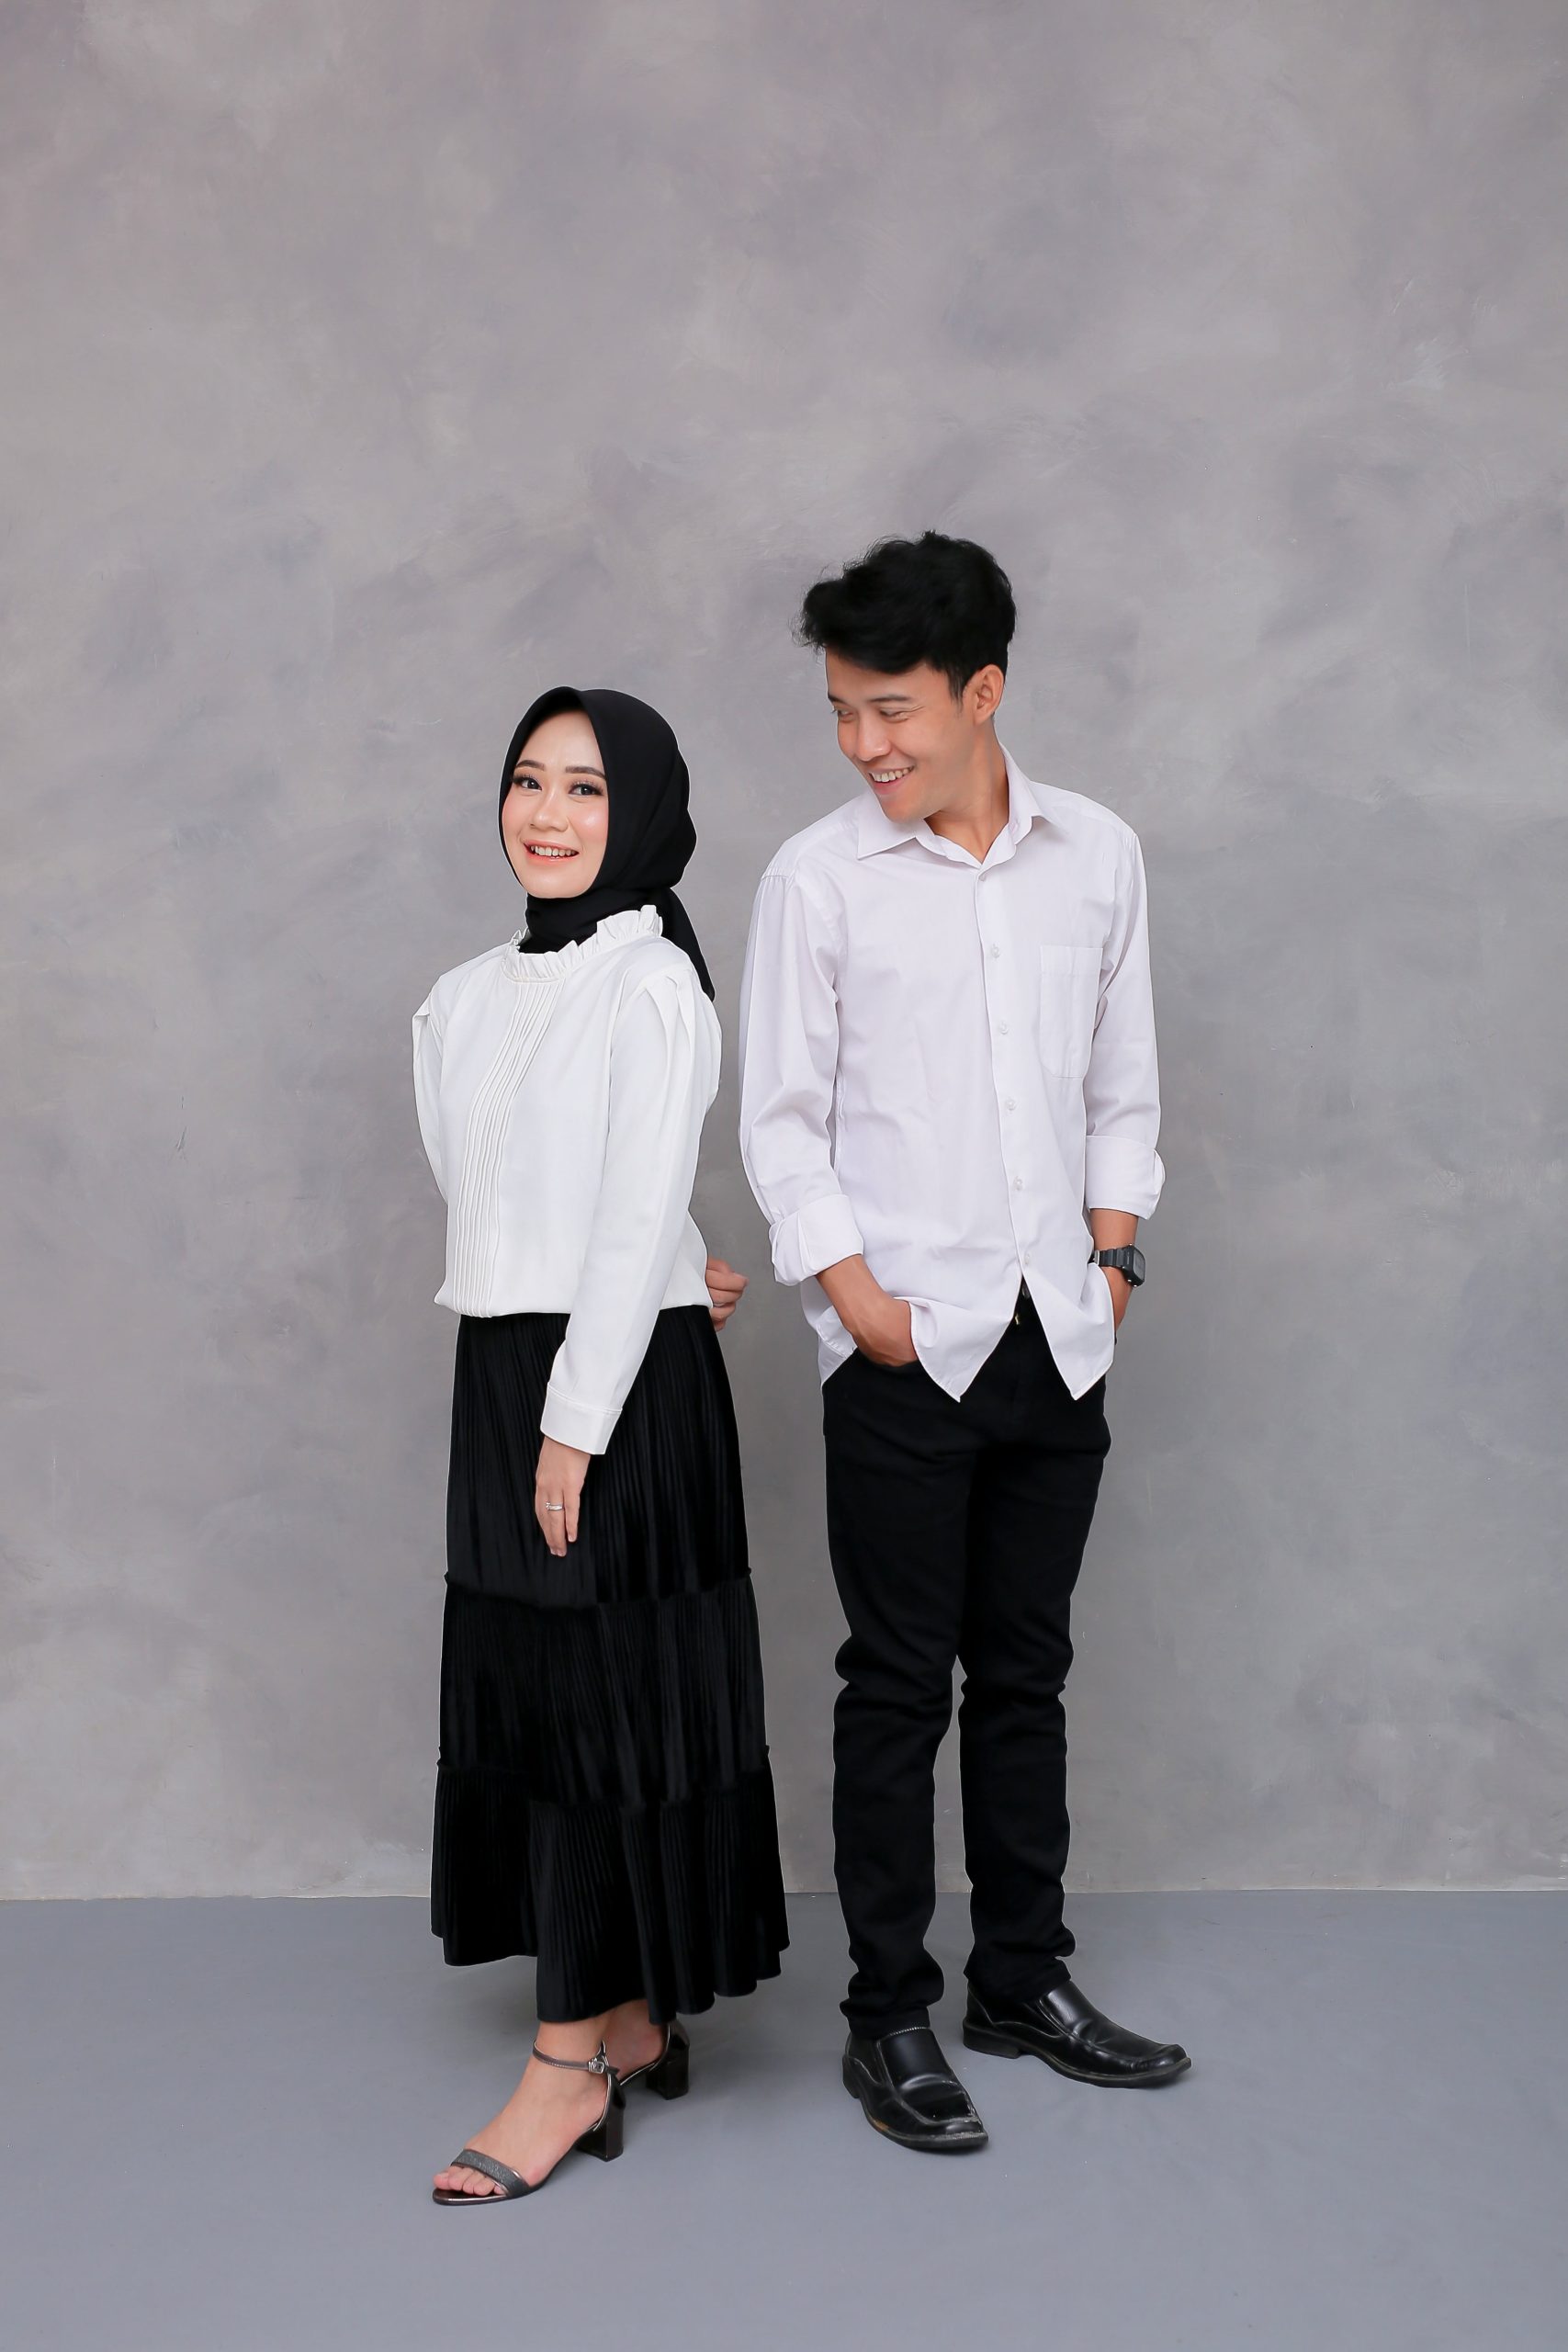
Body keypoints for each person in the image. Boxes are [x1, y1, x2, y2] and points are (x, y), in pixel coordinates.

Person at [738, 532, 1190, 2156]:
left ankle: (1022, 1981)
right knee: (892, 1689)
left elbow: (1122, 1087)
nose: (863, 744)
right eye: (842, 712)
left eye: (893, 710)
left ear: (983, 691)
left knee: (1025, 1680)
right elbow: (780, 1121)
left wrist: (1114, 1257)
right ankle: (888, 2017)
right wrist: (860, 1302)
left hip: (1059, 1336)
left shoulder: (1099, 856)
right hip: (905, 1351)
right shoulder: (817, 879)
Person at [413, 686, 787, 2204]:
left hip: (613, 1392)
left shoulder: (654, 985)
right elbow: (493, 1202)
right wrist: (672, 1264)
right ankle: (629, 2013)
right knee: (544, 1699)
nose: (549, 814)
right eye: (528, 780)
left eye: (585, 787)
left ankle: (566, 2062)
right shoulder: (456, 997)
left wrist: (580, 1416)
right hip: (507, 1364)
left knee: (596, 1703)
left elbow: (632, 1209)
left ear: (639, 815)